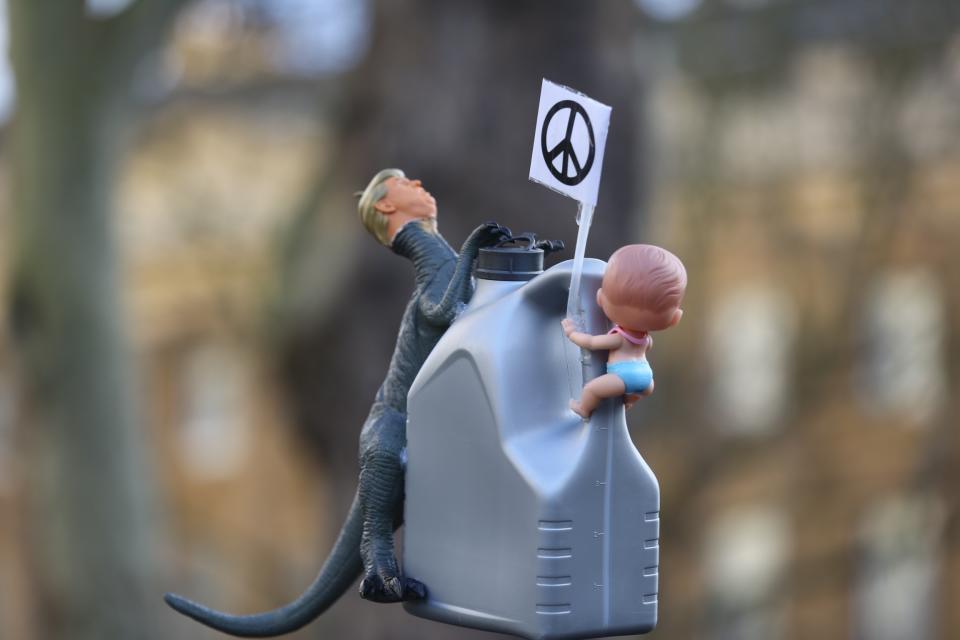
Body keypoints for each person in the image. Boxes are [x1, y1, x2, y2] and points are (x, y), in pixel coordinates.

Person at [164, 169, 510, 636]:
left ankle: (403, 570)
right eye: (407, 184)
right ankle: (380, 571)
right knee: (381, 517)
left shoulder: (438, 255)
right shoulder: (435, 258)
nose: (422, 185)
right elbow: (444, 311)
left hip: (422, 432)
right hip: (392, 430)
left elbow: (461, 309)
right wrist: (472, 250)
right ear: (388, 208)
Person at [562, 244, 686, 419]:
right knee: (635, 391)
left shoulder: (619, 338)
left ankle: (584, 409)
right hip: (647, 380)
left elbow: (591, 343)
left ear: (601, 298)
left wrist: (572, 333)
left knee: (591, 389)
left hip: (623, 377)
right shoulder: (646, 339)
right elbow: (646, 348)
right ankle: (630, 400)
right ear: (674, 318)